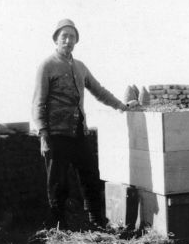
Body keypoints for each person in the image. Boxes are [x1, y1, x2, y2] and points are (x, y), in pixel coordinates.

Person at [32, 18, 129, 229]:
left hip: (78, 133)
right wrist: (43, 135)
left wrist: (121, 106)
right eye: (64, 36)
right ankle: (59, 227)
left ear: (76, 41)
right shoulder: (47, 66)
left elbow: (99, 91)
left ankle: (96, 220)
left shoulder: (80, 67)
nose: (68, 40)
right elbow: (38, 103)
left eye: (72, 37)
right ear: (56, 40)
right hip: (56, 135)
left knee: (90, 177)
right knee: (58, 184)